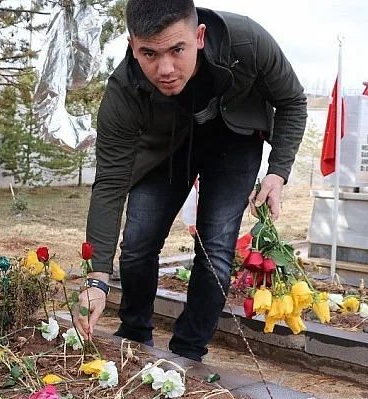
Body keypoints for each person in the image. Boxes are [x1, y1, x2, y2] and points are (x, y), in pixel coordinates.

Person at [72, 0, 307, 362]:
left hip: (235, 140)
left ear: (199, 36)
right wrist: (97, 279)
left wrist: (278, 171)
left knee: (215, 249)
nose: (164, 68)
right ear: (133, 45)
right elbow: (110, 183)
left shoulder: (246, 42)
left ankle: (188, 350)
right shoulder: (123, 91)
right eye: (149, 53)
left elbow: (292, 101)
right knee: (136, 244)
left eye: (176, 50)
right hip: (167, 149)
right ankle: (133, 334)